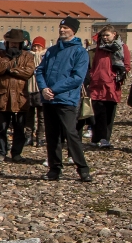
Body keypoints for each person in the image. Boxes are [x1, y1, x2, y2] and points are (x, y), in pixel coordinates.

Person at [35, 17, 92, 182]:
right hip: (48, 99)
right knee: (52, 135)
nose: (62, 30)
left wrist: (53, 89)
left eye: (66, 28)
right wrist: (44, 89)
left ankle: (83, 169)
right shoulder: (52, 51)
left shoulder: (80, 52)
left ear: (73, 30)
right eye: (61, 27)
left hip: (66, 99)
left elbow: (77, 78)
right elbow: (40, 71)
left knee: (70, 133)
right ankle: (54, 168)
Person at [0, 31, 37, 164]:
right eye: (12, 43)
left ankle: (17, 153)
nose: (14, 45)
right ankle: (1, 152)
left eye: (16, 43)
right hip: (2, 97)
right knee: (0, 128)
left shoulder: (27, 56)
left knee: (19, 128)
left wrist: (11, 70)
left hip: (19, 98)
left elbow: (28, 72)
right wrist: (7, 60)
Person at [87, 26, 130, 148]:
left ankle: (105, 138)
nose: (105, 38)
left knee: (109, 113)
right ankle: (95, 138)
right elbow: (94, 64)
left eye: (107, 35)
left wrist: (116, 76)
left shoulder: (121, 47)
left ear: (114, 34)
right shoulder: (99, 48)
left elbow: (126, 65)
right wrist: (92, 75)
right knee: (96, 112)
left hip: (111, 85)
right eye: (103, 35)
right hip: (97, 83)